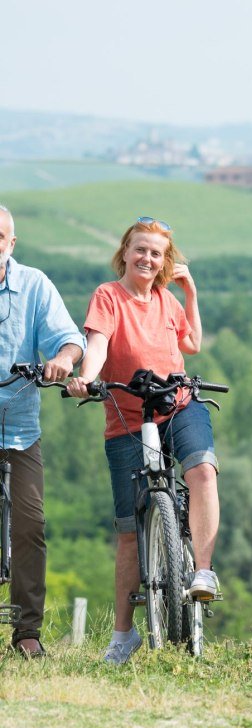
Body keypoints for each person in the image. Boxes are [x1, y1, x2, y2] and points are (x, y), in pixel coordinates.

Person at [67, 217, 221, 665]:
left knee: (202, 471)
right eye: (140, 250)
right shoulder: (107, 296)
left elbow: (191, 343)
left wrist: (190, 293)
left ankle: (204, 571)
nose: (147, 258)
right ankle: (123, 634)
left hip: (177, 406)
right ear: (125, 251)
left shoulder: (167, 300)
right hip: (127, 415)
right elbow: (96, 345)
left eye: (156, 253)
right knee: (130, 535)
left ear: (165, 261)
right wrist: (86, 378)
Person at [0, 205, 86, 658]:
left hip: (18, 427)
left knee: (30, 527)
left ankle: (26, 632)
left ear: (11, 243)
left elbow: (70, 338)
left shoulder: (34, 284)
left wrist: (64, 360)